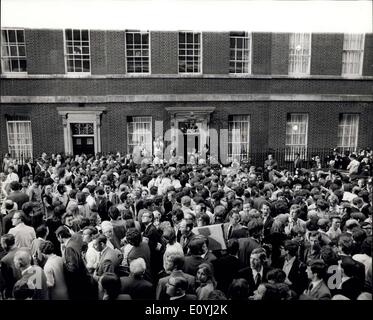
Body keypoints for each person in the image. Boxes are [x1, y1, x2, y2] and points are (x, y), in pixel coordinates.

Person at [56, 226, 95, 300]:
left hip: (78, 283)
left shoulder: (69, 248)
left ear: (60, 236)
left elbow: (72, 268)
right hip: (84, 279)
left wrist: (63, 264)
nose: (58, 239)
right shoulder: (73, 243)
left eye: (57, 237)